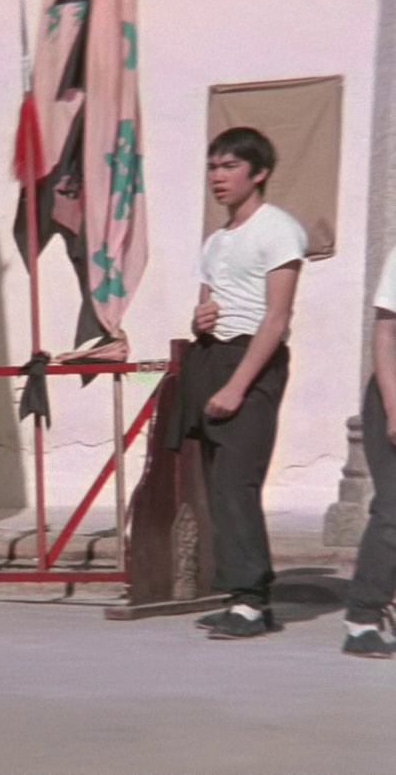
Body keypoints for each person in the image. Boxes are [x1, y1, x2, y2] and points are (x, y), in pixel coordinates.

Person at [168, 127, 303, 640]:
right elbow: (209, 304)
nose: (217, 177)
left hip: (252, 360)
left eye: (229, 167)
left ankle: (251, 599)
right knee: (217, 484)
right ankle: (241, 597)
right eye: (212, 167)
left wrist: (237, 386)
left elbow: (276, 316)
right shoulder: (216, 240)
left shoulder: (278, 229)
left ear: (258, 172)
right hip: (212, 355)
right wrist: (199, 319)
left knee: (237, 481)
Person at [344, 248, 396, 658]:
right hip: (393, 391)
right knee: (394, 509)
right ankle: (362, 620)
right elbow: (385, 333)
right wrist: (393, 407)